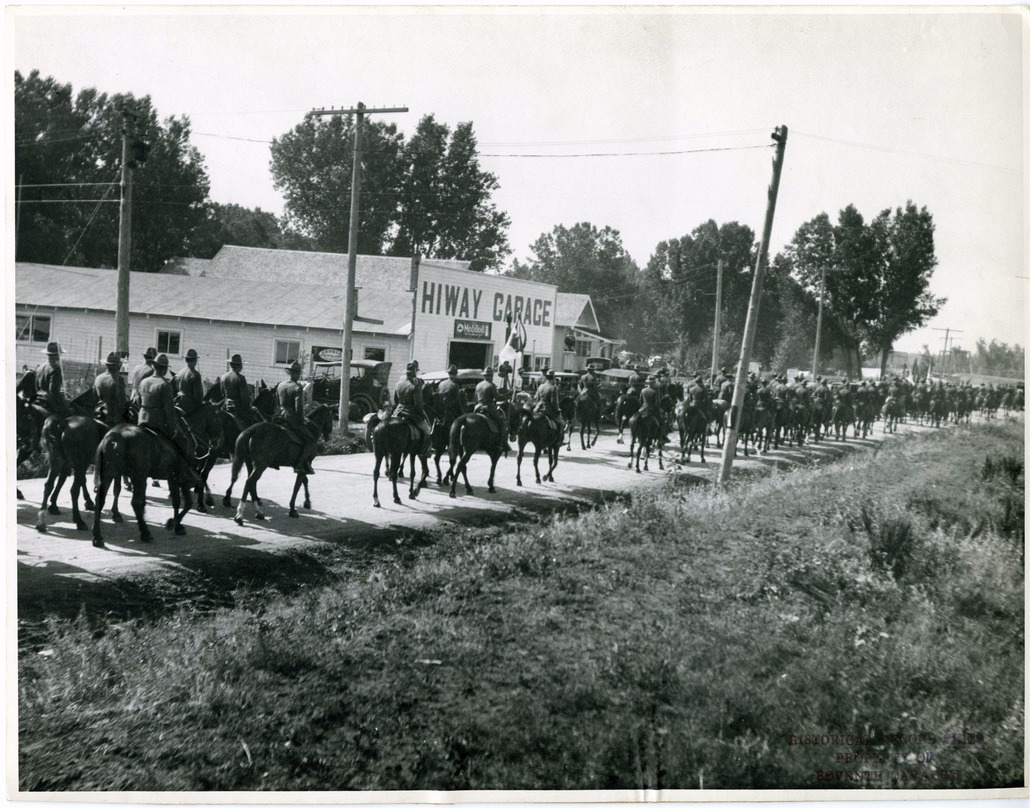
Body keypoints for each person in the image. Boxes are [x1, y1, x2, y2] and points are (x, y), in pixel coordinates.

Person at [137, 353, 193, 466]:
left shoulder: (143, 382)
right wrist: (173, 428)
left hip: (142, 420)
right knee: (183, 441)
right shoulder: (165, 384)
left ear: (154, 366)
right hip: (157, 422)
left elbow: (138, 402)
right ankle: (182, 473)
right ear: (164, 369)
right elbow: (169, 410)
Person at [277, 360, 317, 475]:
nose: (299, 376)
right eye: (298, 374)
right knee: (310, 440)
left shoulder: (281, 384)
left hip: (280, 415)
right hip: (291, 418)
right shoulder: (297, 387)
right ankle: (299, 464)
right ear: (295, 374)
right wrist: (302, 420)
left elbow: (277, 403)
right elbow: (298, 408)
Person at [392, 362, 432, 453]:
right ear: (415, 372)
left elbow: (395, 401)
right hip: (410, 413)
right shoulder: (416, 385)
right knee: (427, 430)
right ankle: (423, 451)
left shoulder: (398, 384)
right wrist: (421, 413)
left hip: (397, 412)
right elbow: (418, 405)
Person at [220, 353, 258, 427]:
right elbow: (245, 398)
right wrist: (250, 409)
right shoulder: (241, 378)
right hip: (238, 409)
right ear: (240, 365)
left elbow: (222, 394)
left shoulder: (223, 377)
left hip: (226, 407)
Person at [93, 351, 128, 428]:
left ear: (106, 365)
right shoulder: (118, 379)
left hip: (99, 412)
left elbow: (94, 396)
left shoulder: (98, 378)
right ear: (117, 366)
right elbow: (122, 400)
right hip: (113, 415)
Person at [474, 366, 508, 442]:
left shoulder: (478, 385)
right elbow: (498, 397)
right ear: (491, 376)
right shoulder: (491, 385)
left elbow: (475, 398)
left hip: (477, 407)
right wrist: (507, 395)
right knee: (502, 422)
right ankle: (502, 443)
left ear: (484, 376)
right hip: (488, 408)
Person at [34, 341, 68, 415]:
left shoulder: (40, 367)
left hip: (39, 397)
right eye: (59, 355)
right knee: (69, 411)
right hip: (50, 400)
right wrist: (63, 402)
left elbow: (36, 386)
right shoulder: (56, 368)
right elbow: (53, 390)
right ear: (57, 355)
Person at [533, 368, 565, 436]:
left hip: (538, 409)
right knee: (562, 423)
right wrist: (557, 410)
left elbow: (537, 399)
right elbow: (554, 402)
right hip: (548, 410)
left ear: (546, 377)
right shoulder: (553, 387)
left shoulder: (541, 386)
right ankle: (559, 439)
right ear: (553, 378)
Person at [174, 349, 204, 418]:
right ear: (195, 360)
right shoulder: (195, 374)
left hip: (179, 402)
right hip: (190, 406)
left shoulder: (181, 372)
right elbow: (198, 396)